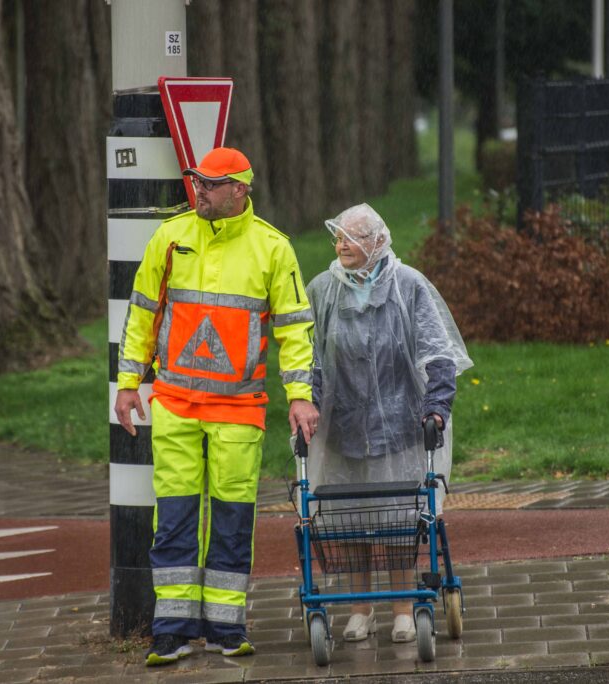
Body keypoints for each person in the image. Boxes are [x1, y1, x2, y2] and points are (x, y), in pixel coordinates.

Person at [114, 147, 319, 666]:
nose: (198, 190)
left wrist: (300, 397)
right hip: (177, 404)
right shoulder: (170, 237)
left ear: (239, 190)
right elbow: (142, 314)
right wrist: (128, 382)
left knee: (231, 520)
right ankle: (173, 630)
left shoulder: (273, 249)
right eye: (196, 181)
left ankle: (227, 629)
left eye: (209, 183)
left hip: (237, 410)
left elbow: (295, 329)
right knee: (175, 518)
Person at [305, 203, 472, 644]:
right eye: (338, 236)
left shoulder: (408, 286)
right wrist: (308, 403)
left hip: (401, 425)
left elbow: (439, 354)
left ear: (377, 242)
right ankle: (360, 610)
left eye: (352, 237)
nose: (341, 244)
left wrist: (436, 406)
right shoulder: (323, 290)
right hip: (343, 427)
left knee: (401, 520)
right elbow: (311, 359)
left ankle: (402, 607)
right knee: (353, 521)